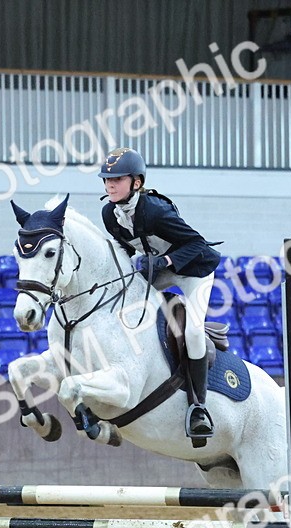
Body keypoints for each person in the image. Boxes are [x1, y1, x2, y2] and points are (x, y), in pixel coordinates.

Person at [98, 146, 222, 443]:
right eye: (106, 180)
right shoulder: (109, 214)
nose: (110, 185)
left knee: (192, 332)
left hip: (194, 270)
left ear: (137, 182)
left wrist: (164, 261)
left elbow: (197, 244)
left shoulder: (156, 210)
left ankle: (198, 407)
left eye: (117, 179)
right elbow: (126, 248)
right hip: (157, 271)